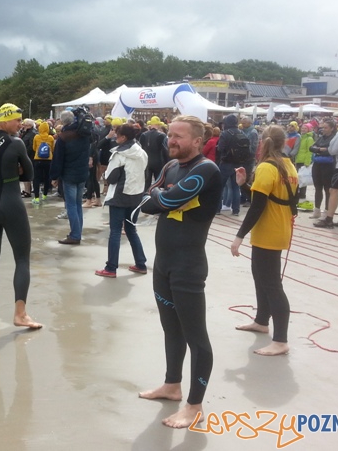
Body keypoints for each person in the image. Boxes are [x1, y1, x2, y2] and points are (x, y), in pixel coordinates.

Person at [138, 115, 222, 429]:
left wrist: (163, 198)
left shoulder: (206, 169)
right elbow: (146, 203)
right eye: (170, 135)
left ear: (198, 141)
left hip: (188, 266)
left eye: (179, 137)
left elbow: (164, 198)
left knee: (195, 336)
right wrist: (163, 198)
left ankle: (194, 405)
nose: (171, 141)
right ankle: (172, 386)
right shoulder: (171, 167)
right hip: (163, 264)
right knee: (171, 329)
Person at [230, 125, 297, 356]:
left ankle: (281, 340)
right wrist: (244, 186)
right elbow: (268, 198)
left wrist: (238, 236)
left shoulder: (267, 168)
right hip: (278, 229)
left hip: (268, 232)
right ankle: (261, 320)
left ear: (262, 143)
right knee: (261, 277)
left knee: (271, 285)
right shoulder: (287, 165)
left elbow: (257, 207)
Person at [0, 103, 41, 330]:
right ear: (6, 120)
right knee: (22, 259)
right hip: (12, 204)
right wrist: (17, 169)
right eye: (17, 120)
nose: (20, 124)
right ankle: (20, 315)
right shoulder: (16, 143)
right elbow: (30, 174)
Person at [96, 123, 148, 278]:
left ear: (123, 137)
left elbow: (111, 177)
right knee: (131, 230)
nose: (114, 136)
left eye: (117, 134)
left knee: (115, 232)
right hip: (137, 195)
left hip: (120, 196)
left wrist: (107, 176)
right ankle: (141, 264)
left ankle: (111, 268)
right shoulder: (141, 152)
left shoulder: (119, 155)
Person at [50, 110, 91, 245]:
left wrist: (54, 176)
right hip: (82, 173)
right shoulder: (83, 134)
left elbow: (58, 159)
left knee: (71, 205)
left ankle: (75, 235)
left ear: (62, 121)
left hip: (69, 174)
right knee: (78, 204)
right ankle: (78, 232)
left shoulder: (63, 137)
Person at [217, 114, 251, 216]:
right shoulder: (242, 133)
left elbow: (220, 148)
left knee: (220, 187)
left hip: (226, 163)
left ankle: (217, 209)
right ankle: (236, 210)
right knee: (236, 187)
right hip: (239, 163)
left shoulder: (225, 133)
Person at [309, 119, 336, 219]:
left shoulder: (334, 138)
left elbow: (330, 151)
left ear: (332, 128)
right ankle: (317, 210)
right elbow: (311, 148)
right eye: (322, 127)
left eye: (326, 128)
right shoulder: (321, 138)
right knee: (317, 187)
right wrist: (320, 149)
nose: (323, 129)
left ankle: (327, 210)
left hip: (328, 165)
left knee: (327, 189)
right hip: (317, 164)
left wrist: (319, 149)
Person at [31, 120, 55, 204]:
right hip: (48, 160)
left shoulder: (36, 137)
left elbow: (34, 148)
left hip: (38, 159)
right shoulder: (51, 138)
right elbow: (52, 149)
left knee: (36, 178)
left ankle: (36, 198)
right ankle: (45, 195)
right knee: (47, 177)